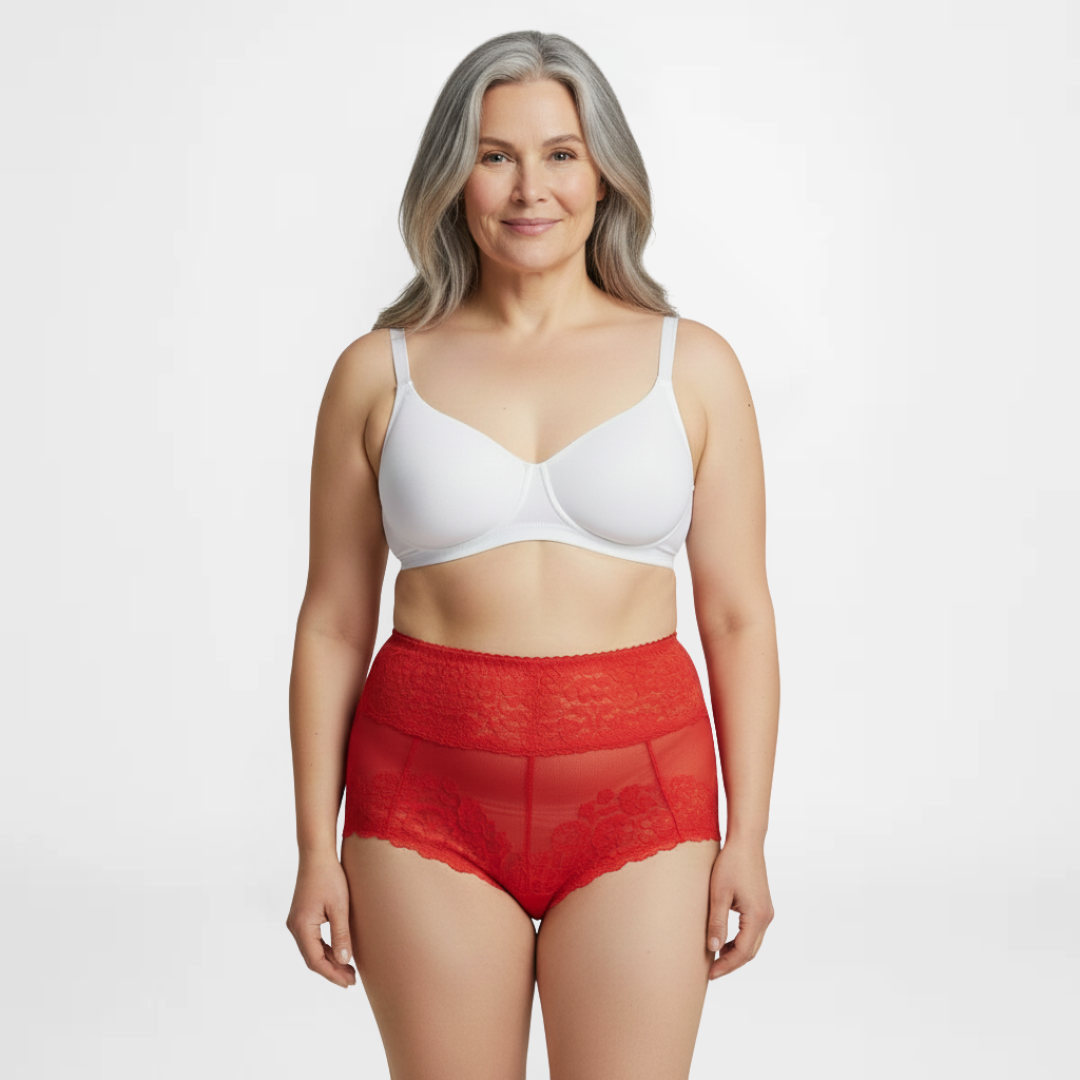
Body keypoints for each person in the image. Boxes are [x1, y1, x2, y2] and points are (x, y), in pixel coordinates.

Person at [285, 29, 779, 1080]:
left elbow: (737, 616)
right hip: (420, 805)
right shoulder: (377, 373)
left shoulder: (693, 366)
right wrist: (313, 848)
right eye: (494, 155)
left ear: (605, 173)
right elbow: (332, 621)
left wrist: (750, 836)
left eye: (560, 153)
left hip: (644, 806)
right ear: (452, 177)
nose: (529, 188)